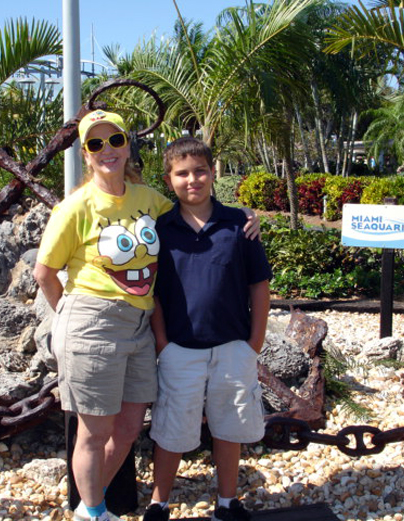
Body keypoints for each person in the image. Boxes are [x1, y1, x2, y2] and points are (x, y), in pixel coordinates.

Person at [33, 110, 260, 521]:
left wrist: (246, 215)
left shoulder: (148, 201)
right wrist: (73, 314)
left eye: (115, 140)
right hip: (92, 322)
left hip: (139, 325)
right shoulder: (75, 207)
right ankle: (95, 511)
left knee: (128, 426)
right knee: (94, 430)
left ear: (127, 145)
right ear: (85, 153)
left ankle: (91, 506)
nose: (108, 151)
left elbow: (193, 208)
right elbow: (44, 274)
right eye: (96, 144)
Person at [145, 137, 272, 521]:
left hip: (234, 346)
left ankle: (227, 502)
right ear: (169, 181)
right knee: (171, 427)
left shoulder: (239, 225)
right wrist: (163, 344)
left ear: (213, 173)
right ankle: (158, 503)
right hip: (180, 349)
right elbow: (152, 293)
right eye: (182, 173)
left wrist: (255, 342)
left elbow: (259, 286)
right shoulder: (160, 230)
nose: (192, 180)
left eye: (200, 171)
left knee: (228, 425)